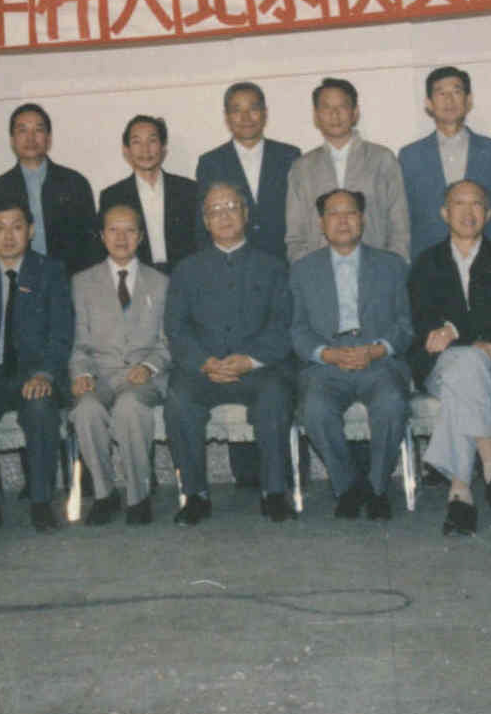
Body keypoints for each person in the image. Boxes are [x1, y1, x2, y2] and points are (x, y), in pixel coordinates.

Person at [165, 182, 295, 525]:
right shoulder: (186, 270)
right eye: (215, 210)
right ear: (205, 221)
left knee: (275, 395)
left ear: (246, 214)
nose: (224, 216)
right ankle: (195, 495)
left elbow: (283, 326)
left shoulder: (273, 267)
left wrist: (249, 360)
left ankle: (274, 492)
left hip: (258, 369)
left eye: (231, 207)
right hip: (202, 371)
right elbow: (176, 329)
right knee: (179, 400)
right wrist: (204, 362)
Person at [406, 180, 491, 536]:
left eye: (477, 204)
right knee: (467, 362)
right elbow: (423, 322)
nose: (468, 212)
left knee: (466, 367)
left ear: (487, 214)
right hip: (438, 366)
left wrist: (454, 329)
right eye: (459, 204)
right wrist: (470, 336)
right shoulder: (426, 262)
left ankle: (460, 493)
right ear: (445, 213)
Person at [290, 188, 413, 521]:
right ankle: (346, 487)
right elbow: (297, 329)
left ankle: (376, 487)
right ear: (321, 223)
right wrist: (327, 354)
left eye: (350, 213)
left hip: (377, 359)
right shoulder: (302, 270)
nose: (342, 220)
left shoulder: (391, 265)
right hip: (327, 363)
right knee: (315, 408)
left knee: (391, 402)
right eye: (334, 213)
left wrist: (376, 350)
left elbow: (405, 324)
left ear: (363, 219)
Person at [0, 196, 74, 533]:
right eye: (0, 228)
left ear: (31, 231)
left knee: (40, 408)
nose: (9, 236)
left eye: (17, 227)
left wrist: (45, 373)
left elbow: (62, 334)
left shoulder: (51, 272)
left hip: (34, 373)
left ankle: (41, 501)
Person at [68, 204, 170, 526]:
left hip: (143, 376)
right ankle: (104, 492)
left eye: (130, 230)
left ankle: (138, 495)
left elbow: (168, 342)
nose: (121, 238)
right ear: (102, 236)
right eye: (113, 230)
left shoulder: (160, 282)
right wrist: (82, 373)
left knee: (129, 407)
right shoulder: (82, 282)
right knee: (86, 409)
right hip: (100, 375)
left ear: (140, 237)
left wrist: (150, 366)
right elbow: (79, 343)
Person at [284, 77, 409, 262]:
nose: (334, 114)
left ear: (355, 112)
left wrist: (393, 267)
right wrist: (308, 272)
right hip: (319, 271)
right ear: (316, 115)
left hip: (375, 267)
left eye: (342, 106)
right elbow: (295, 236)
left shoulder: (382, 159)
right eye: (326, 107)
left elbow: (400, 228)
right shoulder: (302, 168)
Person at [398, 66, 491, 260]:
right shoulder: (410, 156)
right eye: (441, 93)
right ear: (429, 103)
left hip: (486, 261)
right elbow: (404, 218)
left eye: (456, 92)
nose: (449, 100)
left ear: (468, 100)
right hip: (429, 262)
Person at [0, 102, 101, 274]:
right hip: (16, 282)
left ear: (48, 138)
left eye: (38, 130)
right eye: (22, 130)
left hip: (69, 281)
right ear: (12, 140)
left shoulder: (75, 184)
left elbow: (92, 248)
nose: (30, 138)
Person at [194, 82, 301, 260]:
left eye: (253, 108)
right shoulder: (211, 162)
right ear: (227, 117)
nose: (246, 118)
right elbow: (203, 223)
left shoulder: (289, 156)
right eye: (237, 110)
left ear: (265, 113)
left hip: (283, 260)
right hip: (233, 263)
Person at [98, 115, 199, 273]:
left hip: (185, 275)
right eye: (136, 142)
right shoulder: (112, 196)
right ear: (126, 150)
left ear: (163, 148)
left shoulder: (188, 190)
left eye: (152, 141)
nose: (145, 149)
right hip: (138, 278)